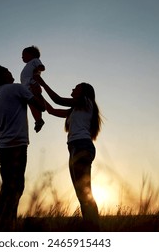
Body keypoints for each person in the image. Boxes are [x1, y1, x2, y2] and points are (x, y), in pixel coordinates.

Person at [35, 75, 102, 230]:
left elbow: (58, 100)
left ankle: (94, 230)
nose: (72, 89)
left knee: (85, 192)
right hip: (74, 148)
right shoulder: (75, 109)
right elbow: (51, 110)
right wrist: (38, 94)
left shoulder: (86, 102)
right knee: (81, 193)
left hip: (81, 147)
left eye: (76, 88)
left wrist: (42, 83)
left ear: (83, 92)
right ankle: (91, 227)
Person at [0, 65, 45, 231]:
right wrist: (37, 91)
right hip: (16, 146)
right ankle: (7, 226)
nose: (10, 72)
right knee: (16, 187)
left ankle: (2, 224)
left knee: (7, 186)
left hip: (3, 146)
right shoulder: (16, 89)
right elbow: (40, 106)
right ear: (2, 76)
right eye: (7, 70)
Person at [21, 46, 46, 132]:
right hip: (27, 88)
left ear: (32, 55)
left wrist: (36, 70)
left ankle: (39, 119)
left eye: (24, 55)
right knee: (32, 105)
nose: (22, 57)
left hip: (32, 85)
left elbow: (42, 67)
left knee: (35, 103)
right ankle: (38, 120)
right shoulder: (28, 64)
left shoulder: (34, 61)